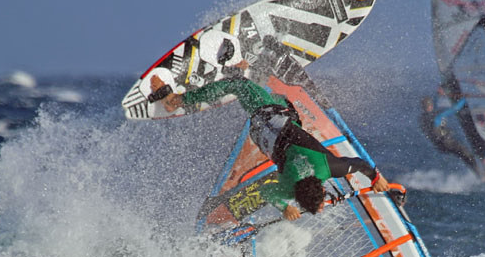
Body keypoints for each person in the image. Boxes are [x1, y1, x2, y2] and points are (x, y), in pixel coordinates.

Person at [150, 75, 389, 220]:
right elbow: (267, 193)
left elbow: (359, 165)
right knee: (286, 106)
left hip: (270, 117)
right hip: (261, 133)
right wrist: (285, 208)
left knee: (239, 85)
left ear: (322, 186)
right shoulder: (286, 189)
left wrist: (376, 177)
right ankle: (259, 81)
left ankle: (176, 101)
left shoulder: (329, 167)